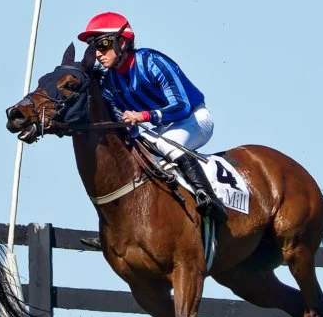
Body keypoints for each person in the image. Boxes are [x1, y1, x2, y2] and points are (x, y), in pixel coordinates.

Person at [78, 12, 225, 222]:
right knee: (132, 161)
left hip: (194, 119)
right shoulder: (109, 83)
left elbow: (181, 106)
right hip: (158, 130)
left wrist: (142, 116)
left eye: (102, 45)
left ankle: (209, 198)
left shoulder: (151, 61)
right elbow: (123, 123)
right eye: (93, 49)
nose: (99, 54)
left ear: (122, 42)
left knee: (169, 146)